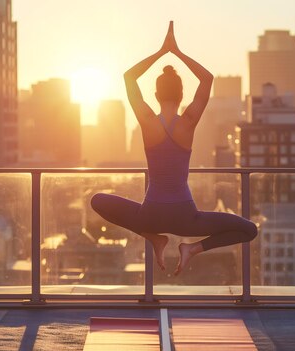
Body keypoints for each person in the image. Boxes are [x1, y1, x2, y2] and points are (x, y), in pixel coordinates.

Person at [91, 21, 257, 276]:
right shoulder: (188, 123)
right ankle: (193, 249)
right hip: (185, 217)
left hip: (151, 215)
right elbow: (207, 78)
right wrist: (176, 51)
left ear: (156, 95)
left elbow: (129, 77)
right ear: (182, 95)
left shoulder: (147, 122)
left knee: (97, 200)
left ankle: (153, 238)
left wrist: (161, 51)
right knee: (249, 229)